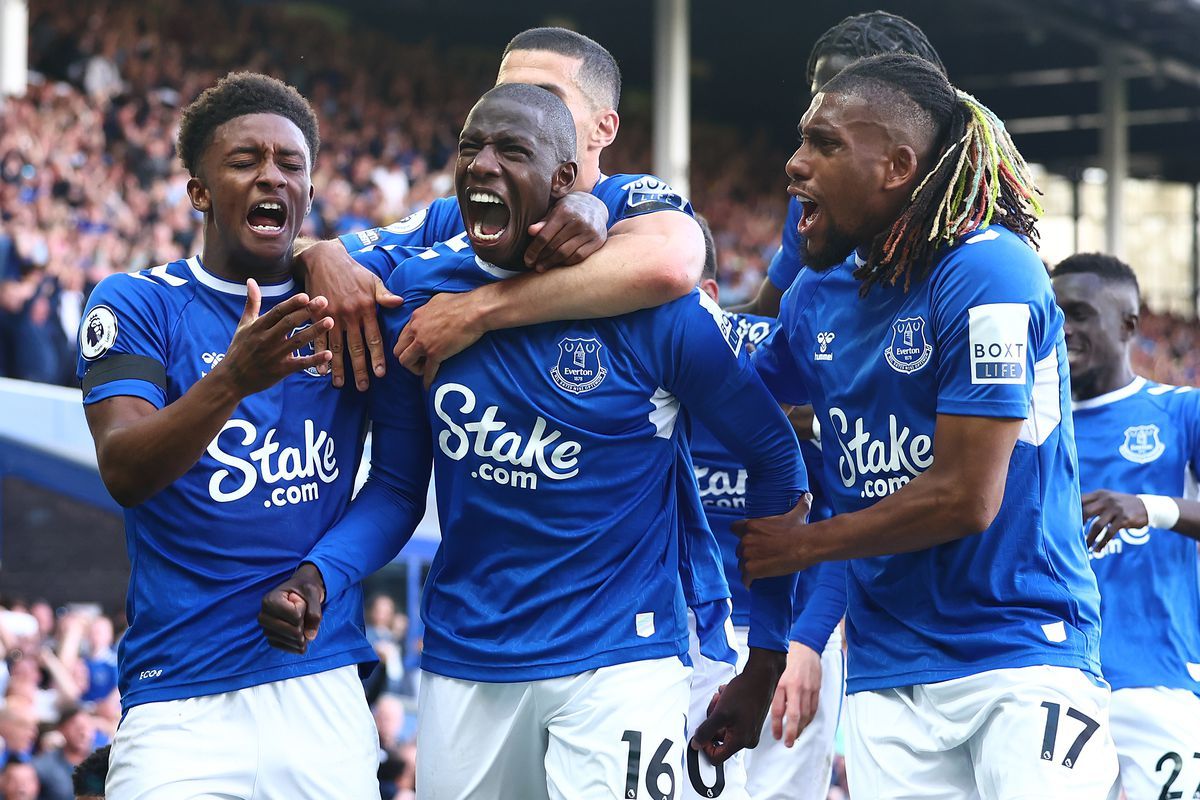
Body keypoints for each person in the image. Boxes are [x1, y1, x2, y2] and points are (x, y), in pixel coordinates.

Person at [259, 82, 808, 800]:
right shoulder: (416, 305)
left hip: (622, 659)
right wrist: (321, 572)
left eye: (511, 150)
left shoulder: (655, 311)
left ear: (565, 181)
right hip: (467, 661)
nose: (482, 165)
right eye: (469, 149)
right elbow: (396, 490)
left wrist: (765, 656)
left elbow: (777, 460)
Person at [739, 53, 1122, 797]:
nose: (794, 164)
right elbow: (735, 389)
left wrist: (804, 546)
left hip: (1019, 653)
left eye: (824, 144)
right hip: (890, 672)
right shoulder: (820, 292)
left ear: (896, 167)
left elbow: (965, 497)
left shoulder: (991, 272)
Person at [76, 72, 381, 798]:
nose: (271, 175)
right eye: (245, 161)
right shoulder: (138, 303)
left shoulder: (353, 303)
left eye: (291, 164)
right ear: (200, 192)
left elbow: (397, 486)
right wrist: (231, 382)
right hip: (177, 700)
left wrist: (320, 578)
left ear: (309, 191)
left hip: (321, 685)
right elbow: (124, 469)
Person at [300, 27, 703, 392]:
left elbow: (671, 265)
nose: (519, 108)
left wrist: (477, 311)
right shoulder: (459, 215)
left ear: (604, 128)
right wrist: (318, 254)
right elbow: (320, 253)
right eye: (504, 93)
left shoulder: (627, 202)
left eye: (545, 95)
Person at [689, 215, 846, 800]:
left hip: (796, 634)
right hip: (680, 632)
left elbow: (845, 526)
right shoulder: (629, 375)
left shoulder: (788, 365)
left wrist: (806, 642)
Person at [1051, 253, 1200, 800]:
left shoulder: (1180, 413)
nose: (1063, 326)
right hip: (1054, 684)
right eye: (1054, 311)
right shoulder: (1024, 426)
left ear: (1128, 325)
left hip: (1157, 684)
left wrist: (1151, 507)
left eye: (1080, 313)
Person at [729, 10, 946, 317]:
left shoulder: (976, 255)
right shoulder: (814, 201)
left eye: (847, 97)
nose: (826, 110)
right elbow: (767, 313)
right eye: (820, 96)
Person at [32, 706, 95, 800]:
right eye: (77, 727)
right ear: (61, 729)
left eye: (87, 727)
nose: (83, 733)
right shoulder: (43, 765)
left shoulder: (106, 761)